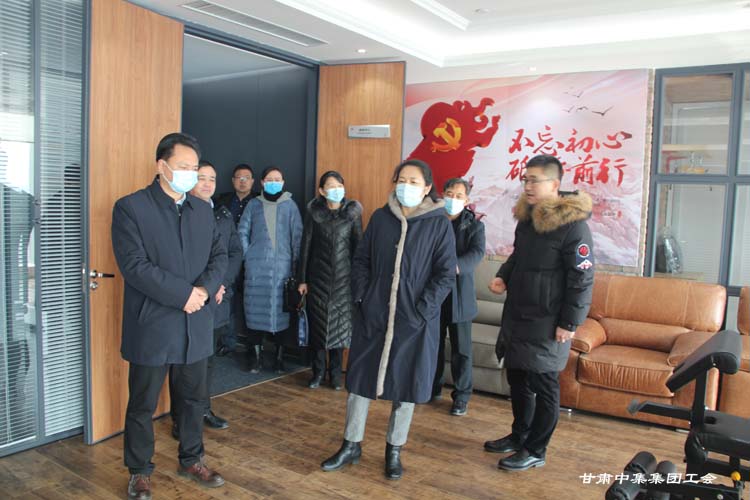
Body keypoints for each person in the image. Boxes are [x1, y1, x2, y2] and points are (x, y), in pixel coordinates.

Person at [321, 159, 457, 480]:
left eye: (414, 182)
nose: (406, 186)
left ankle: (394, 450)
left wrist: (422, 310)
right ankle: (351, 444)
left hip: (415, 319)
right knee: (359, 380)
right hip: (375, 313)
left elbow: (444, 274)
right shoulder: (382, 218)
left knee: (406, 385)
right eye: (401, 180)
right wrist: (362, 296)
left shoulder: (438, 224)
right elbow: (361, 260)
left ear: (426, 188)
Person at [111, 133, 227, 500]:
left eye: (194, 168)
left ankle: (192, 459)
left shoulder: (201, 210)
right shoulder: (131, 208)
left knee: (193, 399)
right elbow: (135, 266)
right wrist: (183, 295)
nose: (191, 174)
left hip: (196, 321)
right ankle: (139, 471)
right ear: (162, 166)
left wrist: (204, 291)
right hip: (153, 323)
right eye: (183, 167)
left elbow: (219, 257)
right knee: (143, 403)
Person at [484, 154, 594, 472]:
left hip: (549, 321)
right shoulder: (528, 219)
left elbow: (582, 278)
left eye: (534, 180)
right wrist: (503, 275)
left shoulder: (574, 227)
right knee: (517, 379)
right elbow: (517, 256)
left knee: (544, 385)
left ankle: (536, 449)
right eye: (525, 180)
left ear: (555, 184)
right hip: (518, 314)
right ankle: (519, 435)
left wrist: (569, 322)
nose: (528, 186)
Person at [170, 160, 243, 440]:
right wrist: (203, 288)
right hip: (189, 299)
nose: (207, 184)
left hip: (217, 299)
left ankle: (203, 410)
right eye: (201, 177)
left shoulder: (222, 214)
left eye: (212, 179)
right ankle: (180, 418)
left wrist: (221, 284)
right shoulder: (178, 212)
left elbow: (234, 252)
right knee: (183, 364)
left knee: (207, 360)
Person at [297, 171, 363, 390]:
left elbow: (359, 248)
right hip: (317, 279)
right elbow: (305, 247)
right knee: (318, 329)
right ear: (322, 191)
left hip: (344, 281)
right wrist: (302, 279)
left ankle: (335, 375)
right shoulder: (314, 213)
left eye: (339, 185)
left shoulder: (352, 214)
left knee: (340, 328)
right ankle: (317, 372)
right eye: (331, 186)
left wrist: (359, 280)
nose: (336, 189)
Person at [237, 166, 302, 373]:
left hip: (283, 271)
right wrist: (248, 256)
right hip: (256, 270)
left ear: (283, 182)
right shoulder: (253, 205)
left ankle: (279, 359)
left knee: (281, 315)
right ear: (263, 182)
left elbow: (297, 238)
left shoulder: (290, 206)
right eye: (270, 179)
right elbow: (242, 231)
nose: (274, 182)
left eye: (277, 179)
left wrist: (295, 265)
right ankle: (255, 358)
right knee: (254, 312)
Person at [431, 178, 485, 416]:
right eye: (449, 194)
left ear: (467, 200)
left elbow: (477, 253)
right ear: (443, 194)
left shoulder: (474, 225)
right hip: (434, 293)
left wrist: (455, 266)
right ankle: (432, 388)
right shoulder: (433, 220)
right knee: (433, 346)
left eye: (459, 196)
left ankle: (461, 397)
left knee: (461, 350)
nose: (453, 199)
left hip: (460, 295)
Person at [213, 163, 257, 355]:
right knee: (227, 300)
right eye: (239, 177)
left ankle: (253, 348)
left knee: (251, 303)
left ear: (253, 181)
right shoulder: (221, 201)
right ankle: (227, 342)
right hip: (227, 258)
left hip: (251, 261)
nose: (243, 181)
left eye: (246, 178)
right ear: (233, 181)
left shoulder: (258, 202)